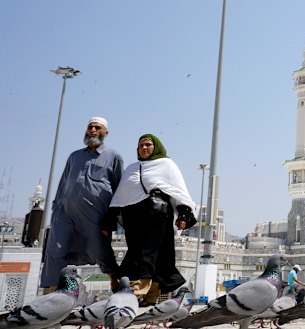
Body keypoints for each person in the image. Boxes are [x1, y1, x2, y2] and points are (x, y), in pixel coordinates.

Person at [109, 134, 197, 306]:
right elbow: (121, 196)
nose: (144, 148)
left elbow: (178, 191)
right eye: (141, 145)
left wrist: (184, 215)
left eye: (148, 144)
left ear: (156, 147)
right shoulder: (132, 168)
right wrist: (110, 220)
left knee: (147, 252)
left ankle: (135, 290)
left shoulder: (167, 165)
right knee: (141, 251)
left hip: (157, 216)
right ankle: (150, 295)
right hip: (133, 219)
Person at [40, 117, 123, 292]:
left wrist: (111, 220)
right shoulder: (74, 156)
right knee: (55, 250)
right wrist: (56, 211)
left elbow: (119, 190)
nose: (92, 130)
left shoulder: (113, 156)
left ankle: (115, 282)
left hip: (94, 214)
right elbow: (63, 184)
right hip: (65, 212)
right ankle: (51, 296)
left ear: (105, 133)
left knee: (100, 250)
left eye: (97, 127)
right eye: (90, 127)